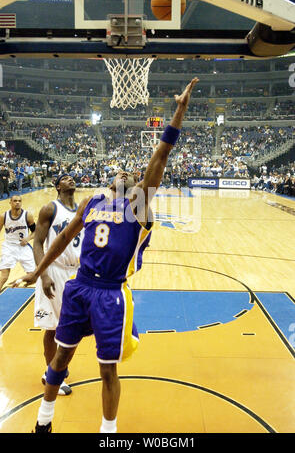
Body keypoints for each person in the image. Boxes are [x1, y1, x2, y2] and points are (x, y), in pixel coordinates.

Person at [12, 77, 199, 434]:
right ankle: (44, 420)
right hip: (80, 287)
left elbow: (160, 155)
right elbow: (64, 236)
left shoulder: (139, 207)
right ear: (109, 181)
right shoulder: (92, 202)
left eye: (132, 173)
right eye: (120, 172)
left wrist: (179, 111)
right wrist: (38, 272)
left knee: (106, 369)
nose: (126, 172)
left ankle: (108, 432)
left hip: (111, 293)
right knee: (61, 356)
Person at [33, 173, 84, 396]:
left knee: (70, 327)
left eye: (72, 177)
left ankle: (58, 366)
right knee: (53, 326)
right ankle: (51, 373)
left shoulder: (83, 208)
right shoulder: (50, 209)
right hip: (55, 271)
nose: (70, 179)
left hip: (77, 274)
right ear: (57, 186)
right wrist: (43, 275)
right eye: (65, 178)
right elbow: (37, 243)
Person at [0, 195, 35, 290]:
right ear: (10, 202)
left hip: (23, 247)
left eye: (19, 201)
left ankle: (20, 281)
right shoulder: (4, 216)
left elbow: (35, 232)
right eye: (15, 201)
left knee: (33, 275)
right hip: (9, 247)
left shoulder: (27, 215)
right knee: (4, 276)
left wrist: (27, 238)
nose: (17, 202)